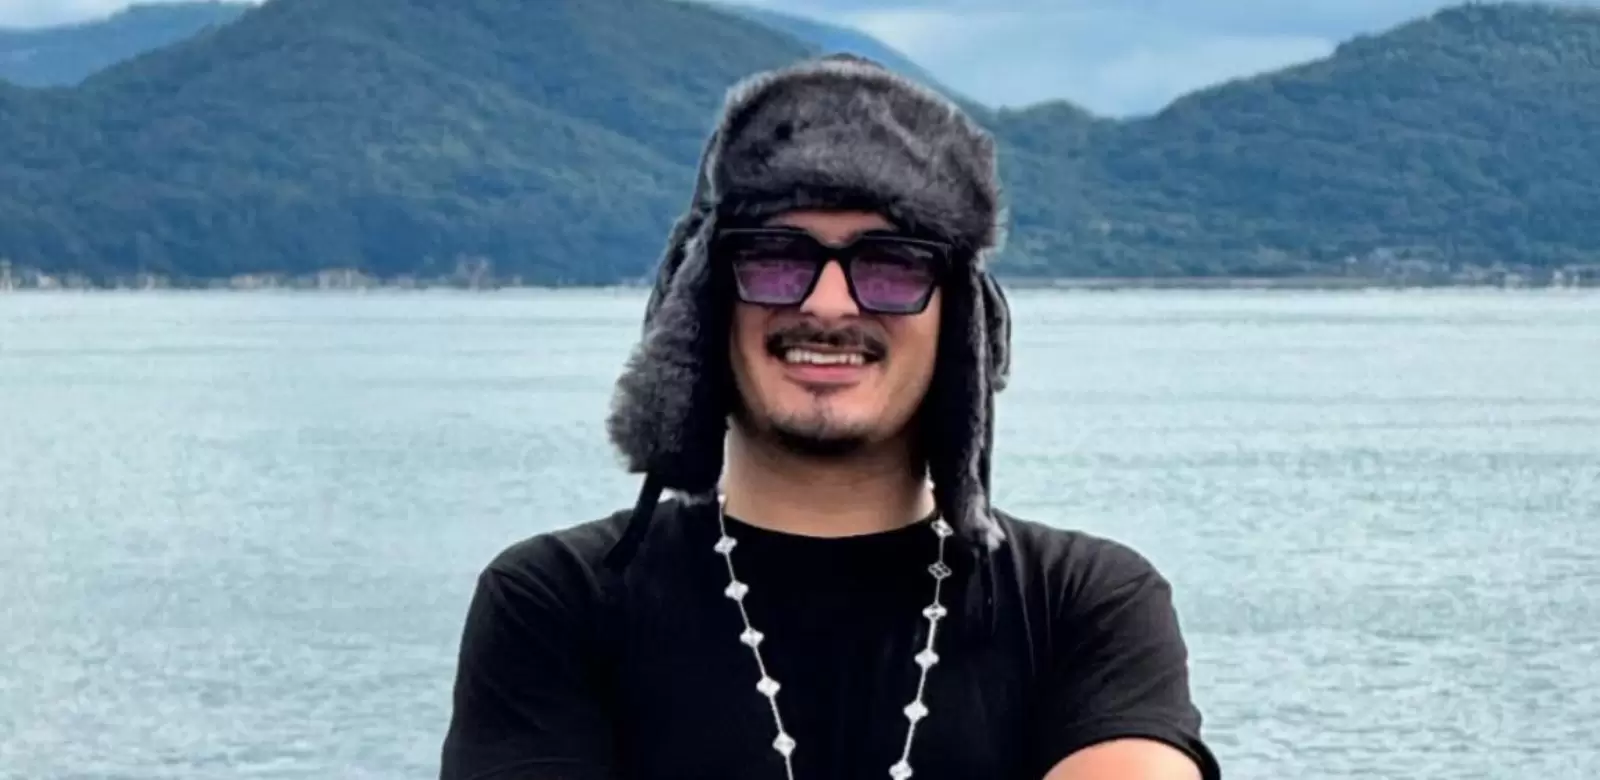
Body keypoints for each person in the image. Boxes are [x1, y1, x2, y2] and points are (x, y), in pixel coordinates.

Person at [439, 54, 1221, 780]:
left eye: (891, 265)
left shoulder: (1082, 601)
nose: (828, 303)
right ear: (703, 301)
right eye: (778, 256)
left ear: (961, 321)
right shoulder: (560, 601)